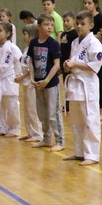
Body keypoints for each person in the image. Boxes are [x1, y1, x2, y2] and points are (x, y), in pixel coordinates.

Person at [63, 11, 102, 166]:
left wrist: (75, 64)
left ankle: (92, 154)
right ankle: (79, 151)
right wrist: (68, 65)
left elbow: (96, 65)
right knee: (76, 121)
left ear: (91, 25)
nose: (79, 27)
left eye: (83, 24)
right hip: (75, 84)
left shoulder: (94, 43)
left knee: (90, 119)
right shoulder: (75, 42)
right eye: (77, 24)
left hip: (88, 84)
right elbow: (74, 61)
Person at [30, 15, 64, 152]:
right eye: (46, 25)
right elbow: (31, 61)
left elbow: (56, 65)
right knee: (42, 113)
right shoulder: (34, 43)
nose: (50, 27)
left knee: (53, 113)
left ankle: (60, 141)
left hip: (50, 84)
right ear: (39, 27)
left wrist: (47, 80)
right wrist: (32, 78)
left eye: (51, 25)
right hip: (38, 84)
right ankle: (46, 138)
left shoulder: (53, 44)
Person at [0, 21, 23, 137]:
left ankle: (14, 128)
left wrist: (18, 76)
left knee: (12, 105)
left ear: (8, 34)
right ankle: (2, 127)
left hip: (10, 79)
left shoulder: (13, 48)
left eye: (0, 30)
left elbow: (19, 63)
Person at [15, 23, 44, 143]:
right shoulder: (26, 49)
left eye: (25, 34)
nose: (23, 36)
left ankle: (38, 134)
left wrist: (21, 77)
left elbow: (31, 68)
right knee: (26, 109)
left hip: (32, 82)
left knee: (33, 109)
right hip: (25, 83)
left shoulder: (34, 49)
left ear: (31, 35)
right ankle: (30, 132)